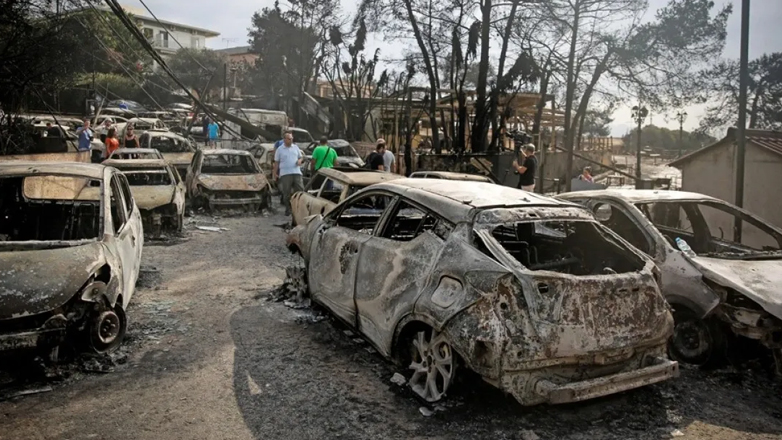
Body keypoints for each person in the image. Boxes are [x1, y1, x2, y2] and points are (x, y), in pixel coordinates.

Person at [273, 131, 304, 216]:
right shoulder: (279, 150)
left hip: (297, 172)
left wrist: (299, 161)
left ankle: (299, 209)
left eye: (292, 139)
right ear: (284, 139)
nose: (291, 140)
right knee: (286, 193)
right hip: (285, 174)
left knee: (300, 191)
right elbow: (276, 163)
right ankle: (288, 209)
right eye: (289, 139)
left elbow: (301, 157)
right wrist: (275, 173)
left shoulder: (296, 147)